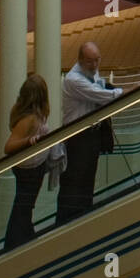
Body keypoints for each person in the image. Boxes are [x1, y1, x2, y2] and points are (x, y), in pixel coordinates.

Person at [55, 43, 123, 226]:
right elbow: (100, 95)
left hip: (91, 135)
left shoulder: (90, 71)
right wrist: (126, 92)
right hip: (78, 137)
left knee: (87, 181)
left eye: (97, 60)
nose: (94, 65)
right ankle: (65, 224)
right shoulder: (73, 80)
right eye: (90, 61)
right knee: (74, 182)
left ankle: (82, 221)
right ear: (80, 60)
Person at [3, 75, 65, 250]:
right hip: (29, 169)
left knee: (25, 205)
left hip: (31, 167)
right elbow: (8, 147)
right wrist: (31, 141)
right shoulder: (29, 119)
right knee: (24, 206)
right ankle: (16, 243)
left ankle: (25, 236)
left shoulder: (27, 113)